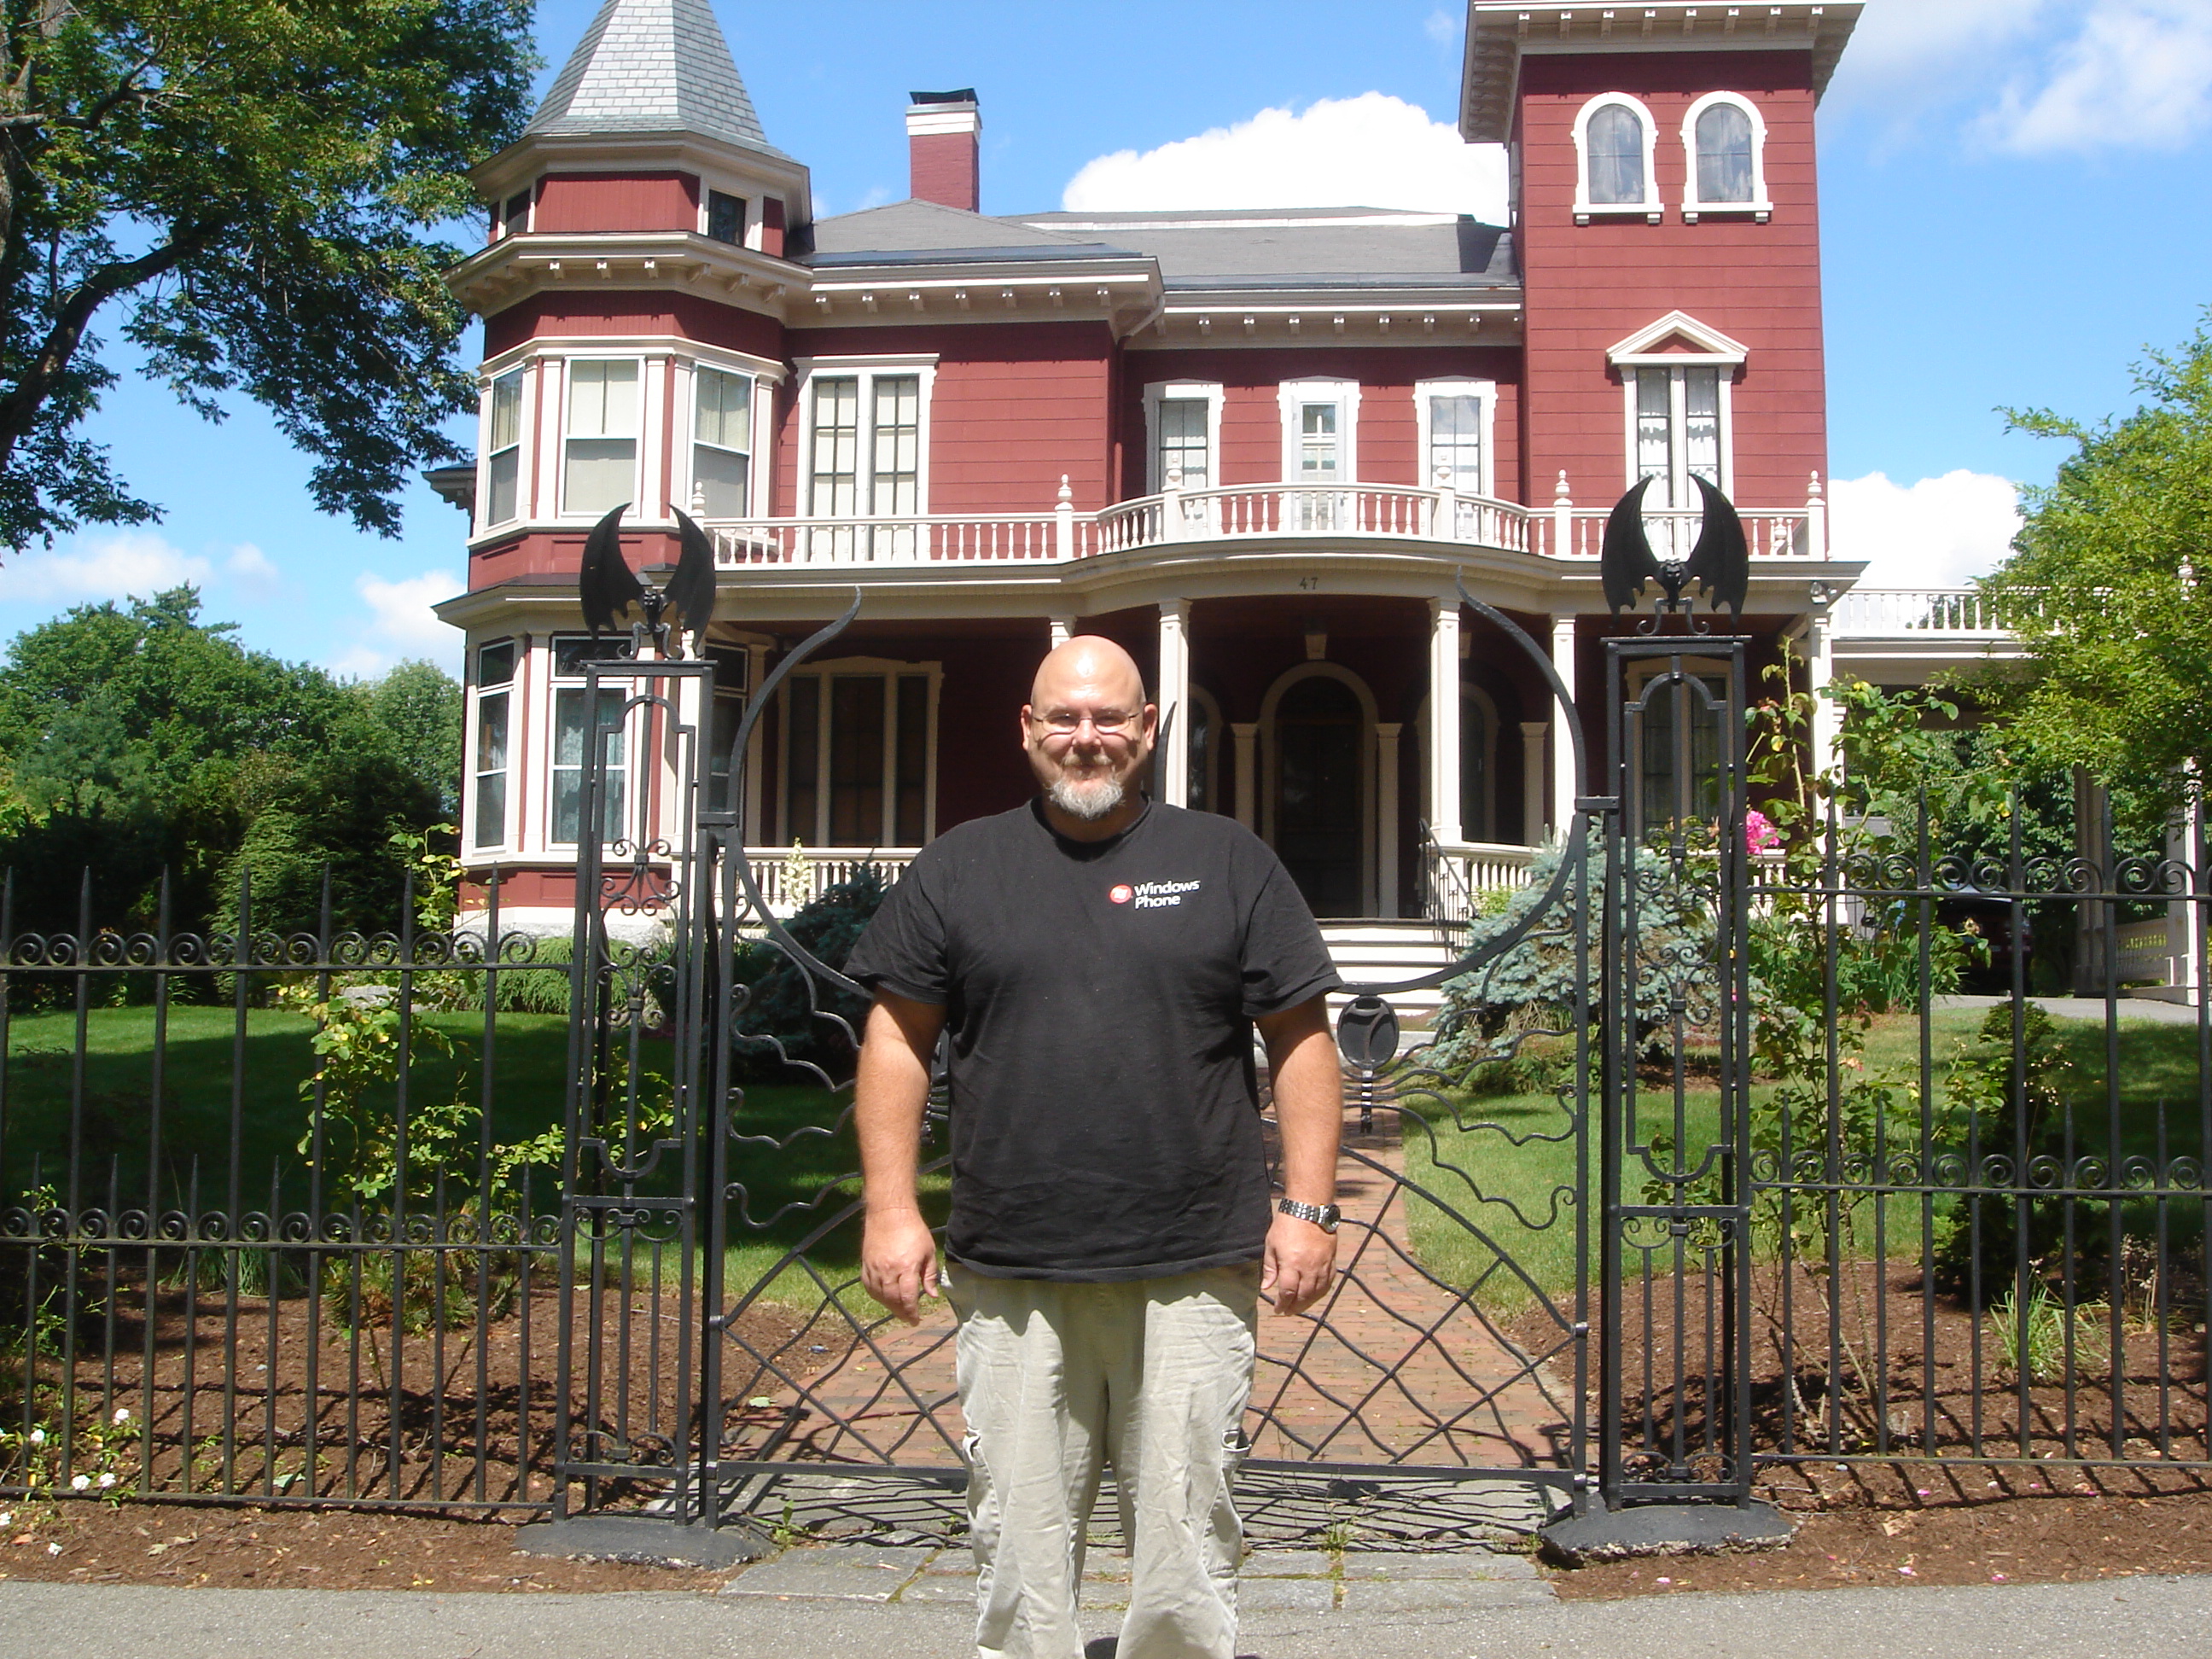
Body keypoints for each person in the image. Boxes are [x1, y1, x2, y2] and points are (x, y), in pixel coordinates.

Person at [847, 634, 1345, 1659]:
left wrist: (1306, 1205)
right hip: (1014, 1263)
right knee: (1019, 1548)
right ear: (1027, 730)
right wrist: (892, 1209)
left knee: (1186, 1542)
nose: (1087, 739)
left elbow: (1299, 1037)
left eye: (1110, 717)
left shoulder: (1228, 861)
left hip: (1194, 1262)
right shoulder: (959, 867)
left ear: (1147, 729)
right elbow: (897, 1041)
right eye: (1064, 719)